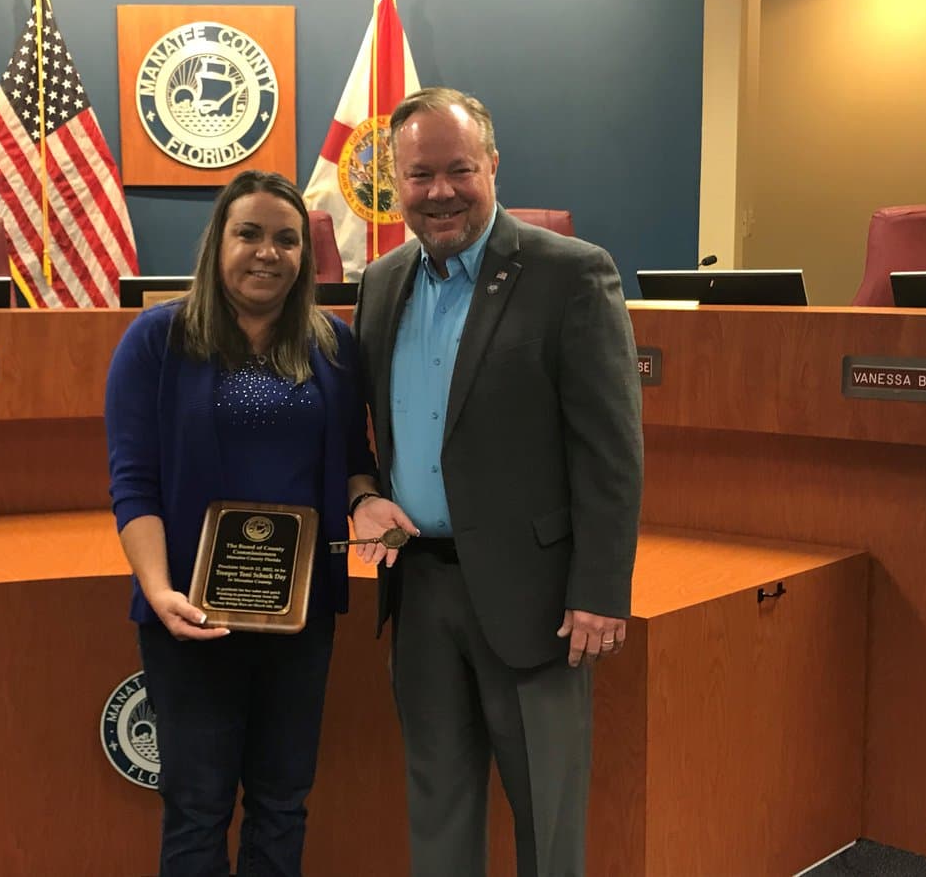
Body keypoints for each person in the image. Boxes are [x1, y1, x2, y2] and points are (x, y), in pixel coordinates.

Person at [349, 88, 644, 877]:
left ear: (493, 167)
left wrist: (602, 587)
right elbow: (360, 429)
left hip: (536, 602)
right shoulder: (380, 283)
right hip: (419, 592)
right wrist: (361, 494)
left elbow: (610, 450)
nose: (440, 191)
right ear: (397, 183)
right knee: (438, 811)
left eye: (459, 170)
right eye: (420, 175)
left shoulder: (570, 274)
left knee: (548, 819)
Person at [105, 169, 411, 877]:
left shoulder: (334, 347)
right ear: (219, 241)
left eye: (286, 239)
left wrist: (365, 500)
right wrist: (158, 591)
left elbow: (354, 462)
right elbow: (133, 483)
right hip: (190, 617)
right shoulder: (156, 341)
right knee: (197, 805)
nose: (267, 252)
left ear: (305, 254)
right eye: (249, 233)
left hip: (299, 618)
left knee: (282, 801)